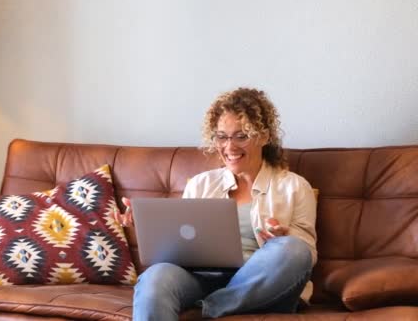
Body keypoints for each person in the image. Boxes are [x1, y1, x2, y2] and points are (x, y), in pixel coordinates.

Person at [113, 87, 317, 320]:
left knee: (294, 250)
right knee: (155, 277)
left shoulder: (294, 187)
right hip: (201, 277)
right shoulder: (200, 184)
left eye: (241, 136)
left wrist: (285, 236)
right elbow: (179, 245)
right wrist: (146, 227)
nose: (229, 147)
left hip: (262, 282)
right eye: (221, 136)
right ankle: (221, 303)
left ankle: (208, 309)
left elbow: (307, 256)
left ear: (264, 136)